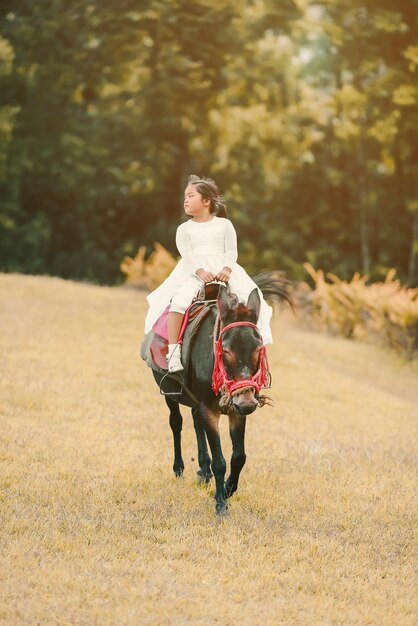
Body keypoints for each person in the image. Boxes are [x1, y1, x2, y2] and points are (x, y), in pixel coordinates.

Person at [144, 175, 273, 372]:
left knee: (253, 299)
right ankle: (173, 352)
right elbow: (186, 254)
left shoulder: (224, 225)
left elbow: (231, 251)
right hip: (194, 273)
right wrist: (200, 271)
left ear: (206, 201)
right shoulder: (184, 229)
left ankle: (256, 349)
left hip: (224, 272)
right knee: (179, 303)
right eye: (185, 196)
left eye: (190, 196)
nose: (185, 200)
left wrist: (227, 269)